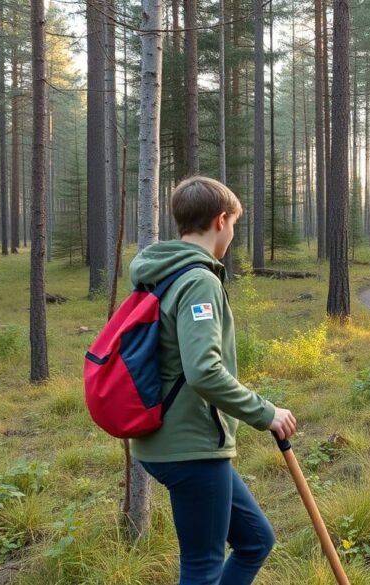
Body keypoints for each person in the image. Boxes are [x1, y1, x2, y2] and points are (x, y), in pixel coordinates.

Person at [130, 176, 298, 584]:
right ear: (221, 220)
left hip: (168, 441)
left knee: (256, 540)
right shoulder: (198, 281)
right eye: (234, 225)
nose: (233, 234)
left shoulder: (163, 271)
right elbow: (203, 370)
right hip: (190, 445)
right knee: (202, 568)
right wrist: (265, 412)